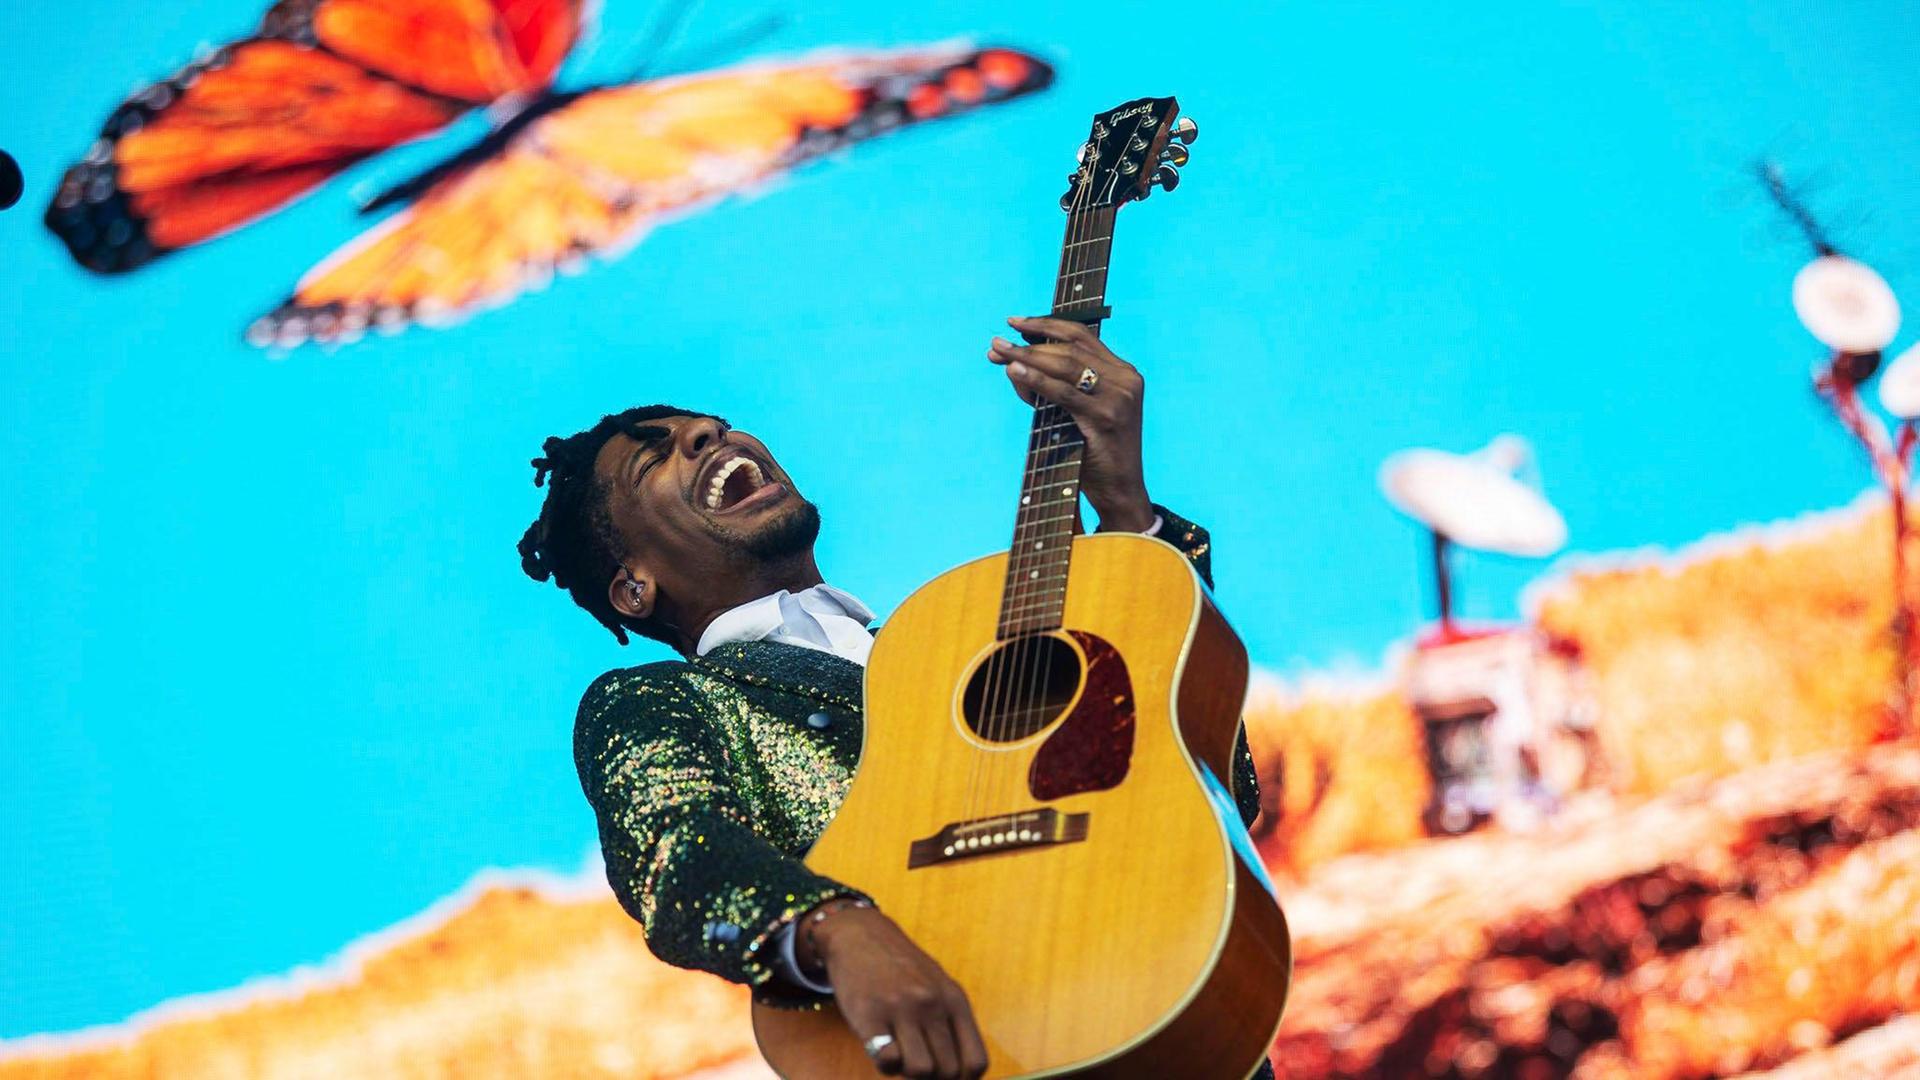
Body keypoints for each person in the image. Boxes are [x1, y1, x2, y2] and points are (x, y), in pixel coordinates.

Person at [519, 317, 1267, 1080]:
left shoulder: (961, 641)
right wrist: (837, 927)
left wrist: (1127, 516)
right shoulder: (663, 699)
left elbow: (1219, 789)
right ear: (633, 586)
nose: (711, 436)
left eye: (715, 426)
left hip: (1153, 993)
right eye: (658, 455)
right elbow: (675, 848)